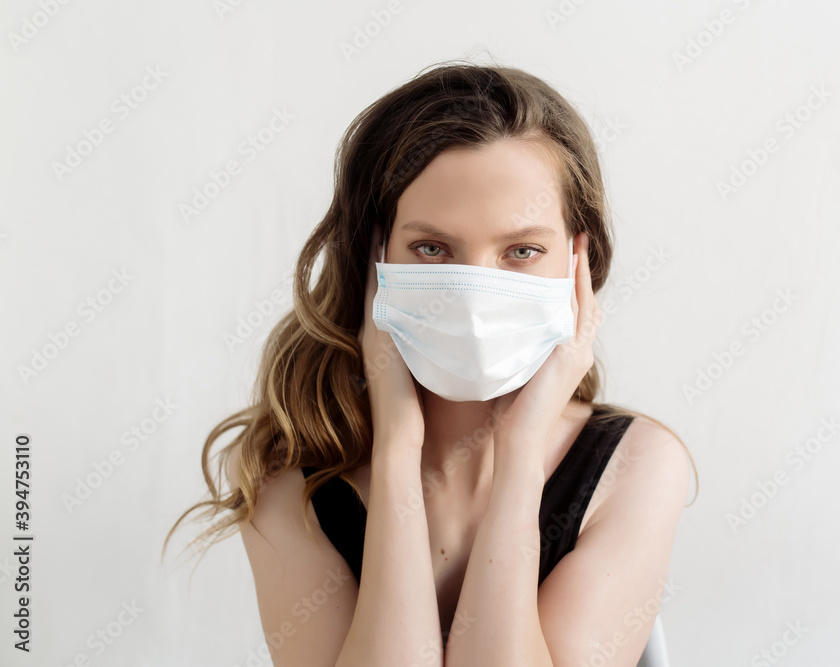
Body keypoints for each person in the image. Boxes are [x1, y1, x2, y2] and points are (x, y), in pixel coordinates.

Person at [164, 58, 698, 666]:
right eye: (432, 248)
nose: (472, 291)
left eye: (522, 250)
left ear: (580, 262)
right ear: (373, 257)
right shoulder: (286, 477)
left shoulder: (637, 467)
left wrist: (520, 457)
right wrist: (396, 452)